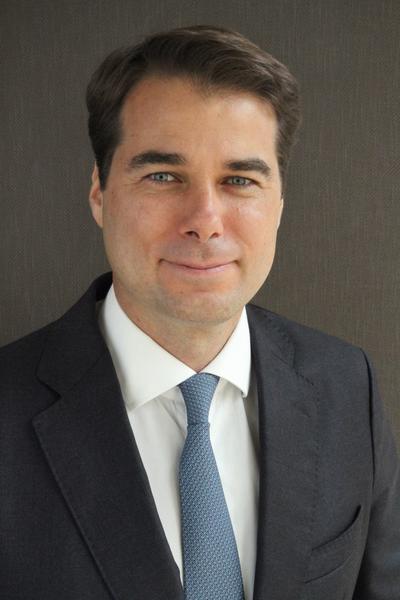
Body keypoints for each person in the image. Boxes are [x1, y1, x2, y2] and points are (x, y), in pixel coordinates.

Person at [0, 24, 399, 600]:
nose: (205, 221)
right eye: (163, 176)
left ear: (278, 203)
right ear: (99, 193)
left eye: (239, 179)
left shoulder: (345, 385)